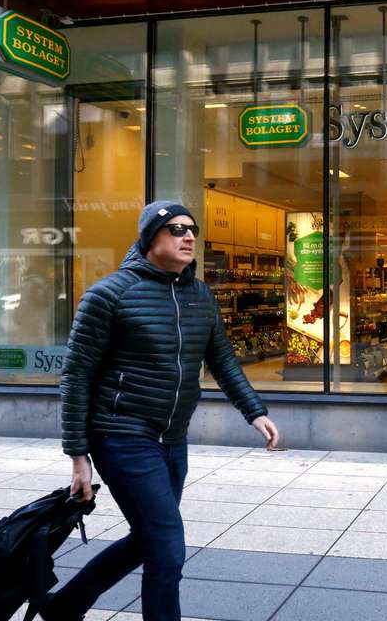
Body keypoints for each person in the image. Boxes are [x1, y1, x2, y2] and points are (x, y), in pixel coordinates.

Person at [42, 201, 280, 621]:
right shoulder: (109, 295)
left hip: (172, 439)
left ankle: (66, 606)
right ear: (151, 237)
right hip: (121, 436)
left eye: (193, 229)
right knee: (168, 545)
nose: (189, 237)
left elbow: (221, 359)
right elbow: (76, 377)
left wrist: (254, 411)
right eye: (176, 229)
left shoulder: (199, 294)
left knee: (148, 538)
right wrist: (78, 456)